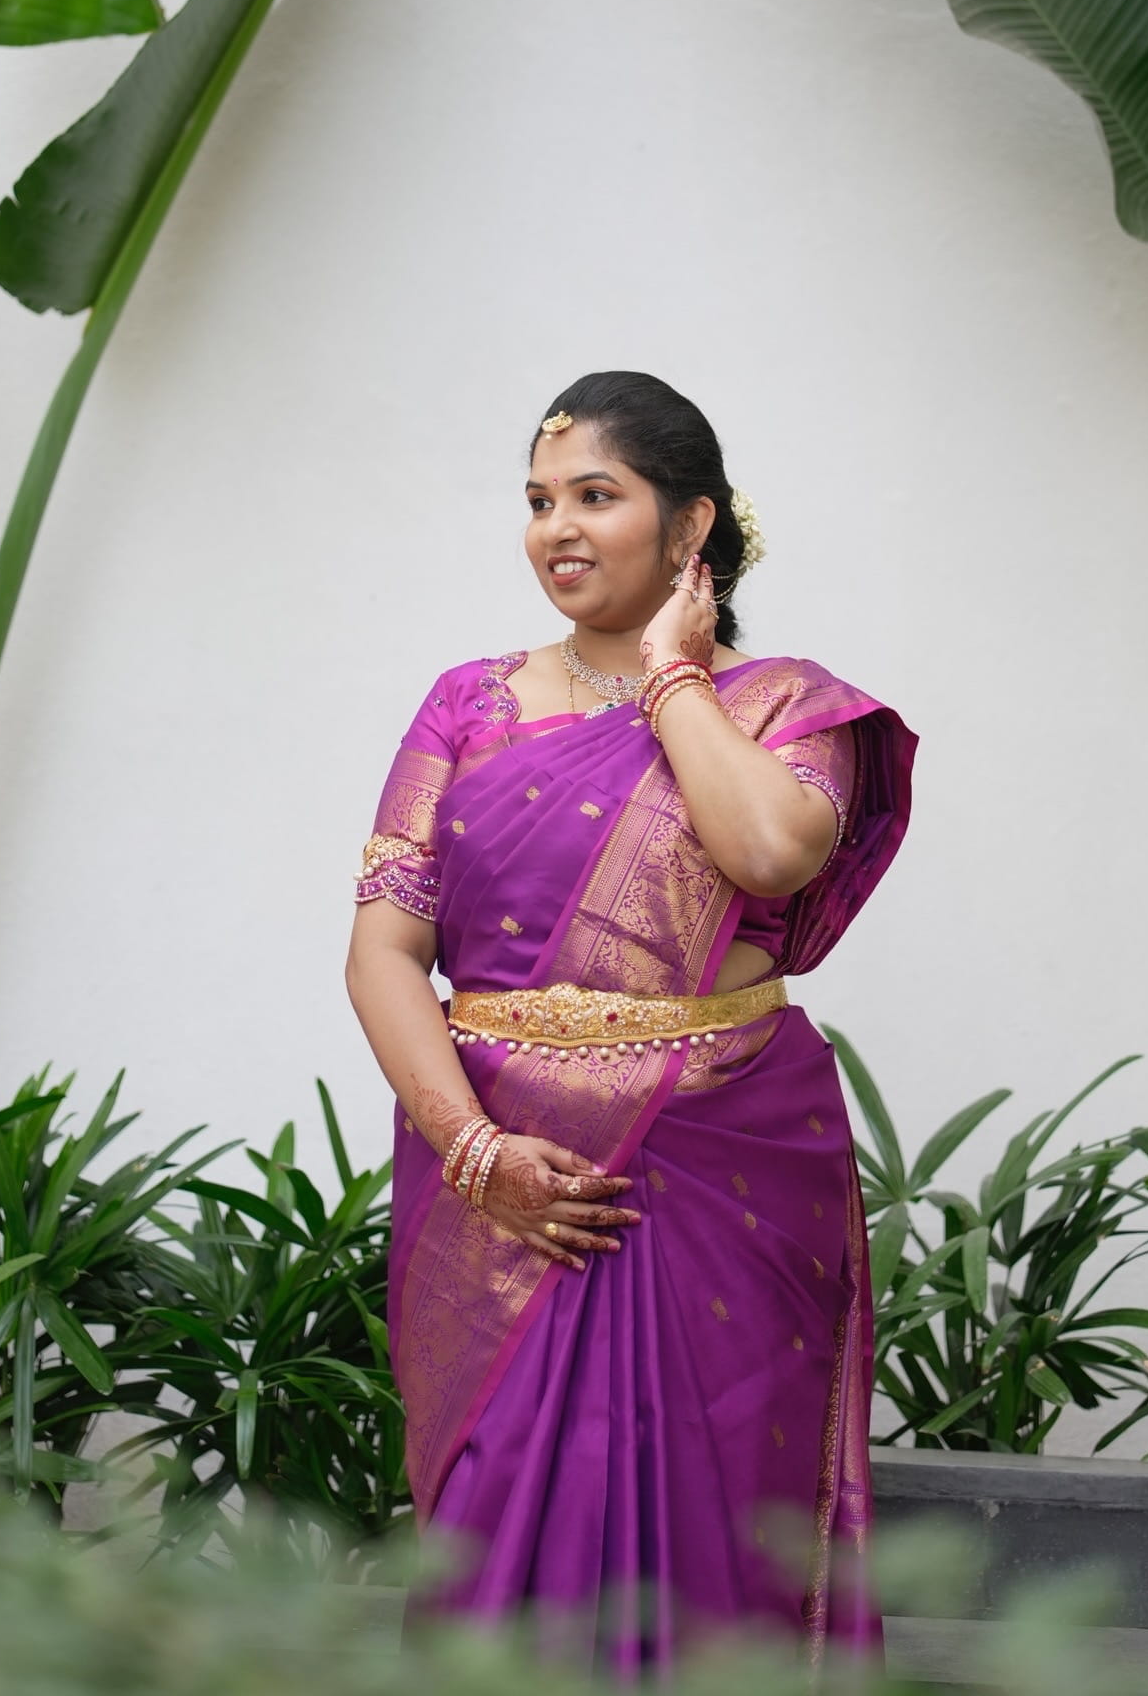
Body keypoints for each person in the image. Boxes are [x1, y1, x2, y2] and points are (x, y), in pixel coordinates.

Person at [344, 370, 917, 1676]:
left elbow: (768, 852)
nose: (556, 528)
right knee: (500, 1512)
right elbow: (383, 950)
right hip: (495, 1176)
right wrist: (475, 1153)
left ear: (690, 523)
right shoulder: (467, 704)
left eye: (595, 496)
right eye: (539, 499)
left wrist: (671, 680)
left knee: (717, 1517)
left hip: (723, 1162)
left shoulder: (789, 706)